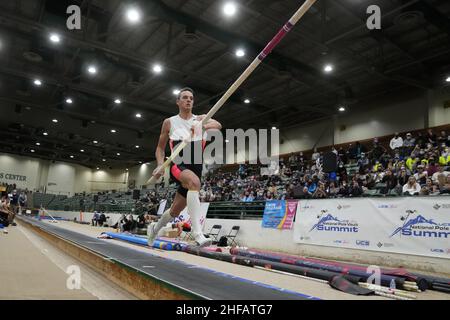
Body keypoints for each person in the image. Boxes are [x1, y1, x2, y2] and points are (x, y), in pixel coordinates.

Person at [147, 88, 222, 247]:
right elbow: (160, 148)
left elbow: (218, 125)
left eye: (191, 98)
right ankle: (198, 234)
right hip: (178, 164)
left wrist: (203, 126)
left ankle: (155, 228)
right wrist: (160, 164)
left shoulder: (201, 119)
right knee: (194, 183)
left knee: (175, 211)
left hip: (196, 166)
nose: (189, 100)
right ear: (178, 102)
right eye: (185, 98)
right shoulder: (170, 122)